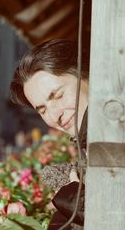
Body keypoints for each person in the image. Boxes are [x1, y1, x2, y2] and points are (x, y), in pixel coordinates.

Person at [10, 39, 89, 230]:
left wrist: (71, 199)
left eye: (58, 96)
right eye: (43, 110)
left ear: (88, 75)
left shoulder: (120, 130)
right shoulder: (87, 142)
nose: (55, 115)